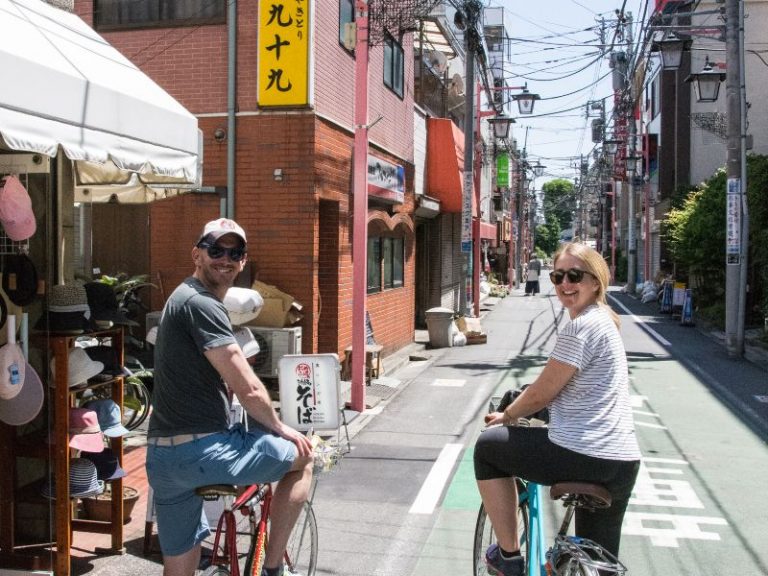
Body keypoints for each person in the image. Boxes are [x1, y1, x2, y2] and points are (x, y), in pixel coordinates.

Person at [145, 218, 313, 576]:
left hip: (163, 458)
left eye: (234, 252)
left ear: (243, 260)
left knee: (180, 565)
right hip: (204, 452)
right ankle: (272, 570)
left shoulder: (180, 298)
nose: (225, 259)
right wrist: (281, 427)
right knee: (303, 459)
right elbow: (247, 386)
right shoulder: (203, 304)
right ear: (197, 254)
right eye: (215, 249)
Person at [474, 242, 640, 576]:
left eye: (575, 275)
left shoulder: (580, 327)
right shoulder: (606, 323)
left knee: (488, 448)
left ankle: (508, 558)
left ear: (596, 281)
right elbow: (576, 393)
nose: (565, 284)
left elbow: (542, 393)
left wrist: (507, 416)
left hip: (583, 453)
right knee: (601, 562)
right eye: (558, 276)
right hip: (622, 462)